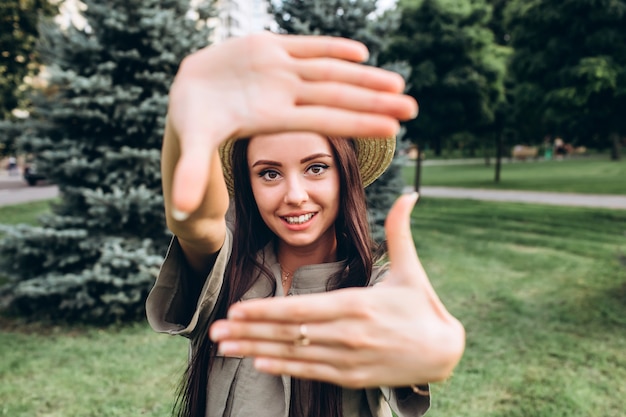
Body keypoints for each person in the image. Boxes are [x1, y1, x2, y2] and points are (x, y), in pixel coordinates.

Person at [147, 32, 464, 417]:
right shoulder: (227, 271)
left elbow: (410, 334)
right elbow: (196, 219)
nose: (294, 195)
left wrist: (431, 346)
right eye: (269, 174)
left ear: (344, 174)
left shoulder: (372, 289)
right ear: (247, 184)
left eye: (316, 168)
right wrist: (186, 116)